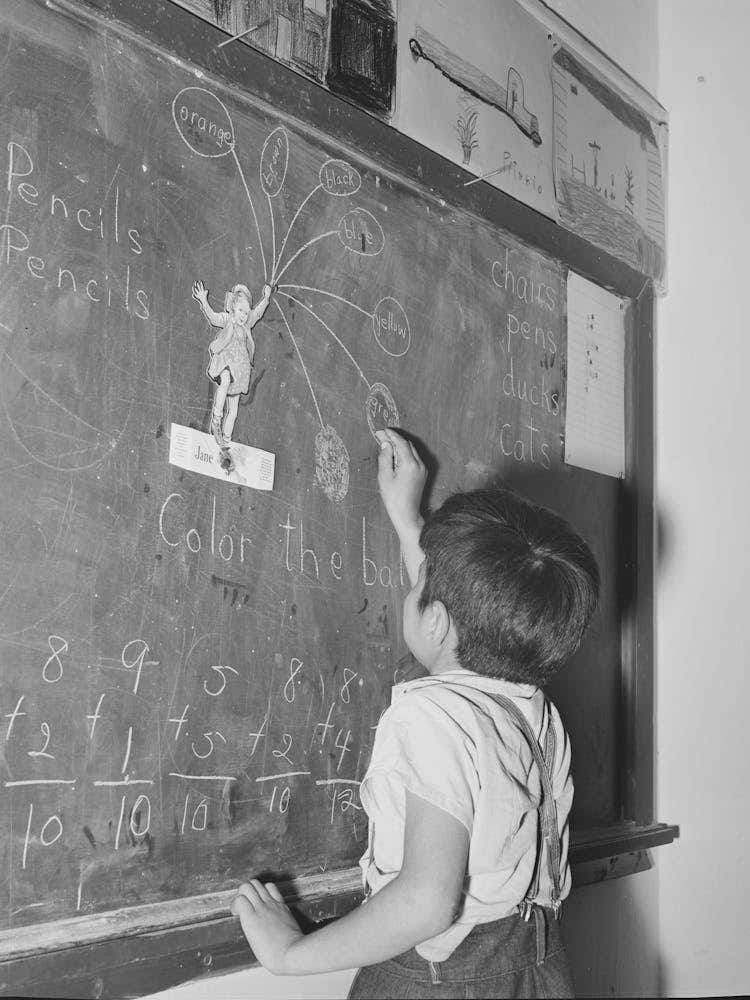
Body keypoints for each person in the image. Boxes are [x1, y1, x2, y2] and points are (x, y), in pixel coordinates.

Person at [230, 427, 600, 998]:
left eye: (419, 581)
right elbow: (460, 622)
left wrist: (289, 953)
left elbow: (428, 900)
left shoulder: (433, 720)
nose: (413, 582)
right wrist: (409, 523)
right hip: (536, 969)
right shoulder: (535, 714)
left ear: (437, 620)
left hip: (439, 983)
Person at [191, 279, 274, 448]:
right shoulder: (227, 319)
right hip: (225, 362)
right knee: (226, 379)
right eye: (241, 311)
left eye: (246, 312)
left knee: (234, 410)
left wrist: (266, 298)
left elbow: (257, 313)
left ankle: (225, 442)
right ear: (233, 307)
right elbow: (213, 318)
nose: (244, 315)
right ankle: (216, 419)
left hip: (241, 370)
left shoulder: (247, 325)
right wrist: (203, 300)